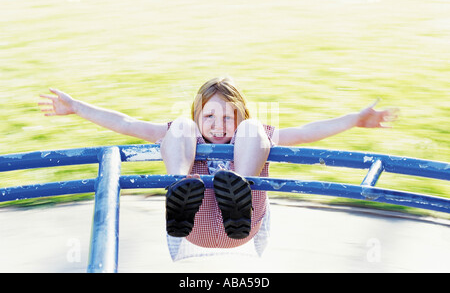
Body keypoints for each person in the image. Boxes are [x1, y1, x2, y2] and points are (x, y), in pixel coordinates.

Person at [39, 76, 397, 259]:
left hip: (243, 224)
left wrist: (354, 120)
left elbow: (305, 132)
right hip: (188, 226)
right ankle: (181, 189)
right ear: (200, 116)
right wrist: (77, 107)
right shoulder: (186, 133)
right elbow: (128, 123)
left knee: (257, 131)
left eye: (229, 115)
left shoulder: (250, 135)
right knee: (176, 128)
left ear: (238, 117)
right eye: (209, 115)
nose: (219, 123)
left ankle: (236, 191)